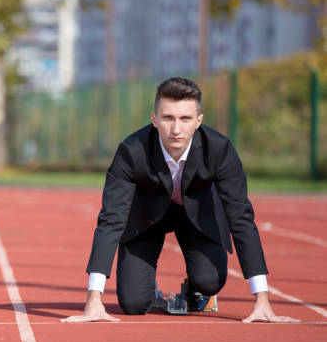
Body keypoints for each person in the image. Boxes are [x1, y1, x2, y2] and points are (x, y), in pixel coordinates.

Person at [62, 77, 299, 324]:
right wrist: (93, 299)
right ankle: (146, 288)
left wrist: (262, 299)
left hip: (198, 217)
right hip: (146, 218)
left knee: (209, 281)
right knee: (133, 304)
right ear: (154, 119)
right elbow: (111, 218)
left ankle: (198, 290)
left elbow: (240, 217)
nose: (176, 129)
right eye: (168, 118)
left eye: (185, 119)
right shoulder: (131, 152)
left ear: (198, 121)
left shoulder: (219, 150)